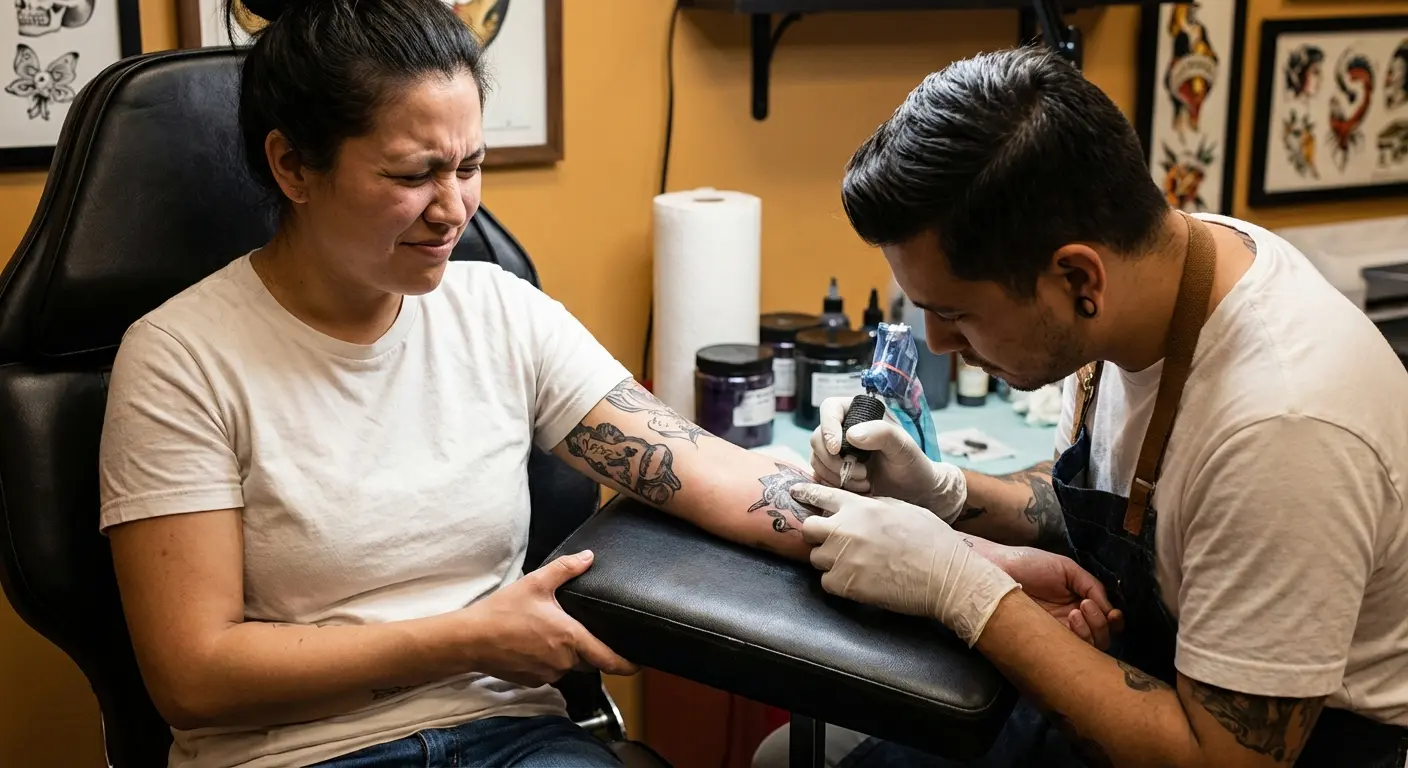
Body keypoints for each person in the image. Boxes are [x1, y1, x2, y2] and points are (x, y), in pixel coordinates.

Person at [97, 4, 1116, 767]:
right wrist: (473, 634)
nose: (454, 207)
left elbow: (717, 478)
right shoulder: (183, 361)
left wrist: (973, 564)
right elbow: (192, 674)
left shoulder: (497, 312)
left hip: (513, 738)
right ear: (292, 165)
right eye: (412, 174)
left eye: (472, 162)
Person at [758, 46, 1408, 768]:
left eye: (957, 314)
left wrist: (963, 591)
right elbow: (1107, 491)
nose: (937, 344)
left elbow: (1221, 760)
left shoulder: (1286, 431)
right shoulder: (1149, 277)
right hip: (1147, 686)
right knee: (791, 756)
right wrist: (942, 494)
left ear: (1076, 276)